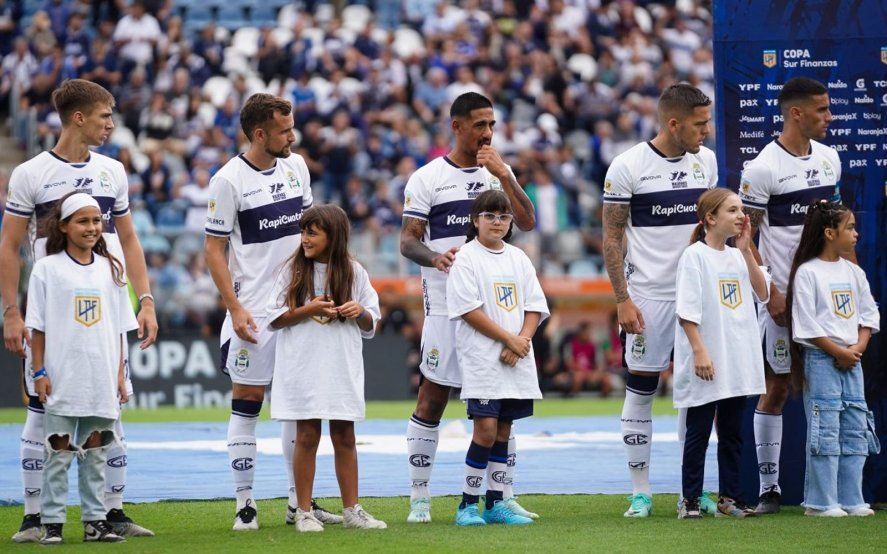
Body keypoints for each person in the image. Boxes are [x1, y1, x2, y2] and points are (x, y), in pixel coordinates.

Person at [1, 78, 157, 542]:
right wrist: (11, 310)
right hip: (53, 311)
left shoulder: (112, 171)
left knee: (110, 407)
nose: (111, 124)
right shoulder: (31, 173)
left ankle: (112, 512)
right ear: (79, 117)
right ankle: (35, 516)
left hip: (108, 309)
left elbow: (128, 240)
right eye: (106, 115)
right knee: (40, 408)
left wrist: (144, 300)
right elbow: (9, 246)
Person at [203, 93, 339, 531]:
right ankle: (245, 503)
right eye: (284, 130)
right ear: (260, 134)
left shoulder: (296, 167)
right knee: (247, 403)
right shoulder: (227, 181)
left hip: (298, 308)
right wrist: (235, 307)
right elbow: (213, 249)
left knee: (300, 407)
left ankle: (299, 502)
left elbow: (310, 236)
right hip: (255, 313)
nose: (292, 136)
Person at [400, 92, 536, 524]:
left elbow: (528, 221)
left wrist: (504, 176)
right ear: (456, 126)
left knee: (502, 404)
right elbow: (407, 240)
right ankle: (420, 495)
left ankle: (501, 497)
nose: (488, 133)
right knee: (433, 397)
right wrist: (436, 258)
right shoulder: (428, 178)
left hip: (498, 310)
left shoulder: (499, 172)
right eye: (479, 124)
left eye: (492, 124)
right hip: (445, 306)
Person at [601, 83, 718, 518]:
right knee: (642, 388)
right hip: (648, 298)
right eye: (699, 123)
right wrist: (622, 299)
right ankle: (641, 491)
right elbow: (612, 237)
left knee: (698, 395)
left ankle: (692, 490)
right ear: (674, 123)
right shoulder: (628, 166)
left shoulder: (705, 162)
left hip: (697, 296)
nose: (706, 131)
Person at [738, 77, 843, 514]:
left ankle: (831, 492)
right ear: (795, 113)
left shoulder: (829, 159)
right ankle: (769, 490)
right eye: (821, 110)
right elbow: (744, 239)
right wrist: (770, 293)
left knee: (831, 387)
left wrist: (843, 280)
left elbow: (835, 227)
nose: (829, 117)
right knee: (778, 387)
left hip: (823, 296)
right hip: (781, 300)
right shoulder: (762, 168)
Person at [25, 193, 138, 544]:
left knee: (96, 453)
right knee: (57, 453)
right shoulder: (47, 268)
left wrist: (120, 375)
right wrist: (39, 372)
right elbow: (38, 327)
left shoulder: (111, 268)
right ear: (63, 226)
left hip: (101, 376)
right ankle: (53, 522)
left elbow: (120, 330)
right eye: (82, 221)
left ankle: (95, 520)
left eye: (95, 221)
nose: (91, 228)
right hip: (62, 375)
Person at [267, 205, 387, 532]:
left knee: (345, 435)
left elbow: (371, 322)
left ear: (333, 236)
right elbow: (273, 319)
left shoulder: (354, 271)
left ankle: (352, 509)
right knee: (306, 435)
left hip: (340, 364)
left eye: (312, 232)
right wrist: (308, 309)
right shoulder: (290, 270)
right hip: (303, 364)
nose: (304, 239)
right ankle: (304, 511)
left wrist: (358, 310)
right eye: (304, 231)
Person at [446, 190, 549, 526]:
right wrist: (509, 339)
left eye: (503, 216)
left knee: (504, 431)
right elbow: (467, 311)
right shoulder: (465, 258)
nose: (497, 222)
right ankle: (467, 505)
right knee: (485, 431)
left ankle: (495, 504)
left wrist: (521, 340)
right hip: (483, 360)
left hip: (516, 358)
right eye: (490, 215)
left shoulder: (518, 258)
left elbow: (535, 306)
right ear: (475, 220)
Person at [673, 188, 768, 519]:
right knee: (698, 433)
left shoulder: (737, 256)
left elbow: (763, 292)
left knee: (732, 433)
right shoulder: (694, 256)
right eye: (733, 210)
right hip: (708, 360)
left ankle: (730, 498)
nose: (742, 216)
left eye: (742, 210)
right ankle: (691, 500)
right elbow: (687, 311)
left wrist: (746, 253)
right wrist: (699, 351)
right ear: (710, 218)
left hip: (737, 359)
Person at [787, 200, 880, 517]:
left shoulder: (854, 272)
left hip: (852, 360)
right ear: (829, 233)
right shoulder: (807, 273)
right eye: (850, 227)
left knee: (855, 428)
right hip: (822, 359)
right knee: (824, 429)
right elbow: (806, 324)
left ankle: (852, 499)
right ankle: (821, 502)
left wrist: (857, 348)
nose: (856, 234)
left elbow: (868, 315)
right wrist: (838, 351)